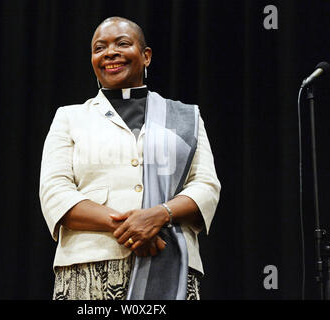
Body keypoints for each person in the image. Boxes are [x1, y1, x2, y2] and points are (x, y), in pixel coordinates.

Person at [39, 16, 221, 300]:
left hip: (169, 262)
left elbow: (206, 186)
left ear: (146, 56)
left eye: (122, 44)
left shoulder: (186, 116)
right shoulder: (70, 117)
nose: (110, 52)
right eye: (100, 48)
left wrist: (159, 215)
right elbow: (55, 193)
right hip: (87, 268)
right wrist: (132, 228)